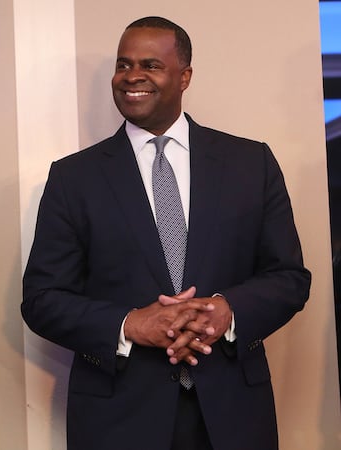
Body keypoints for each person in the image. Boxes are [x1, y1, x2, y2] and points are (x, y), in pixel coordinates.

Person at [21, 16, 311, 450]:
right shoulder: (72, 178)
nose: (132, 76)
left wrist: (226, 312)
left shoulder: (251, 163)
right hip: (117, 421)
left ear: (185, 76)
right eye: (123, 65)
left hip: (233, 416)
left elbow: (289, 278)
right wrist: (129, 324)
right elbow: (43, 300)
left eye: (151, 64)